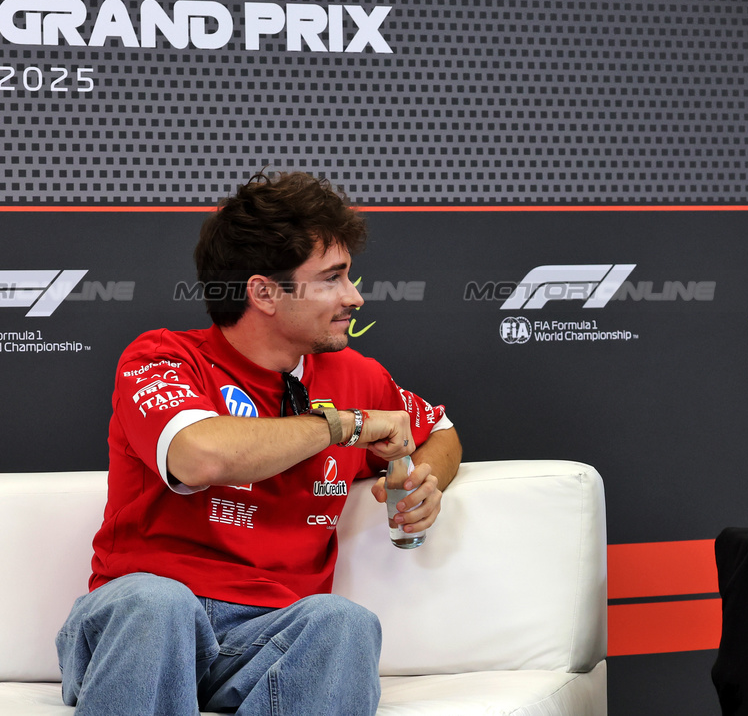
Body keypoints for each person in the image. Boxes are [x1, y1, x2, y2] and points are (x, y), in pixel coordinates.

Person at [56, 171, 462, 716]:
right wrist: (344, 426)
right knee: (160, 604)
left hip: (268, 632)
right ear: (264, 292)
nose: (355, 296)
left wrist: (419, 481)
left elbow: (438, 431)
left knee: (344, 622)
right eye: (333, 278)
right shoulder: (163, 359)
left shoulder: (354, 375)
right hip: (137, 626)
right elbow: (199, 456)